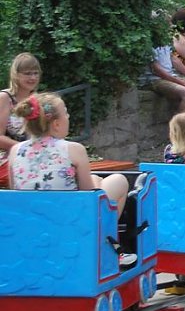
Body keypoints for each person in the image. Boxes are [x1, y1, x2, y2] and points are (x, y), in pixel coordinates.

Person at [10, 93, 136, 265]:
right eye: (66, 113)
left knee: (96, 179)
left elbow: (14, 193)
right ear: (56, 124)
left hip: (32, 226)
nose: (68, 117)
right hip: (69, 225)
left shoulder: (15, 151)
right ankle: (104, 247)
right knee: (119, 180)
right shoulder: (73, 149)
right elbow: (88, 196)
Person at [0, 53, 41, 188]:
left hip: (39, 155)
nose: (33, 77)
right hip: (10, 158)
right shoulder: (5, 98)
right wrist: (26, 149)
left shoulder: (39, 99)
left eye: (36, 73)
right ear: (16, 75)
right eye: (28, 73)